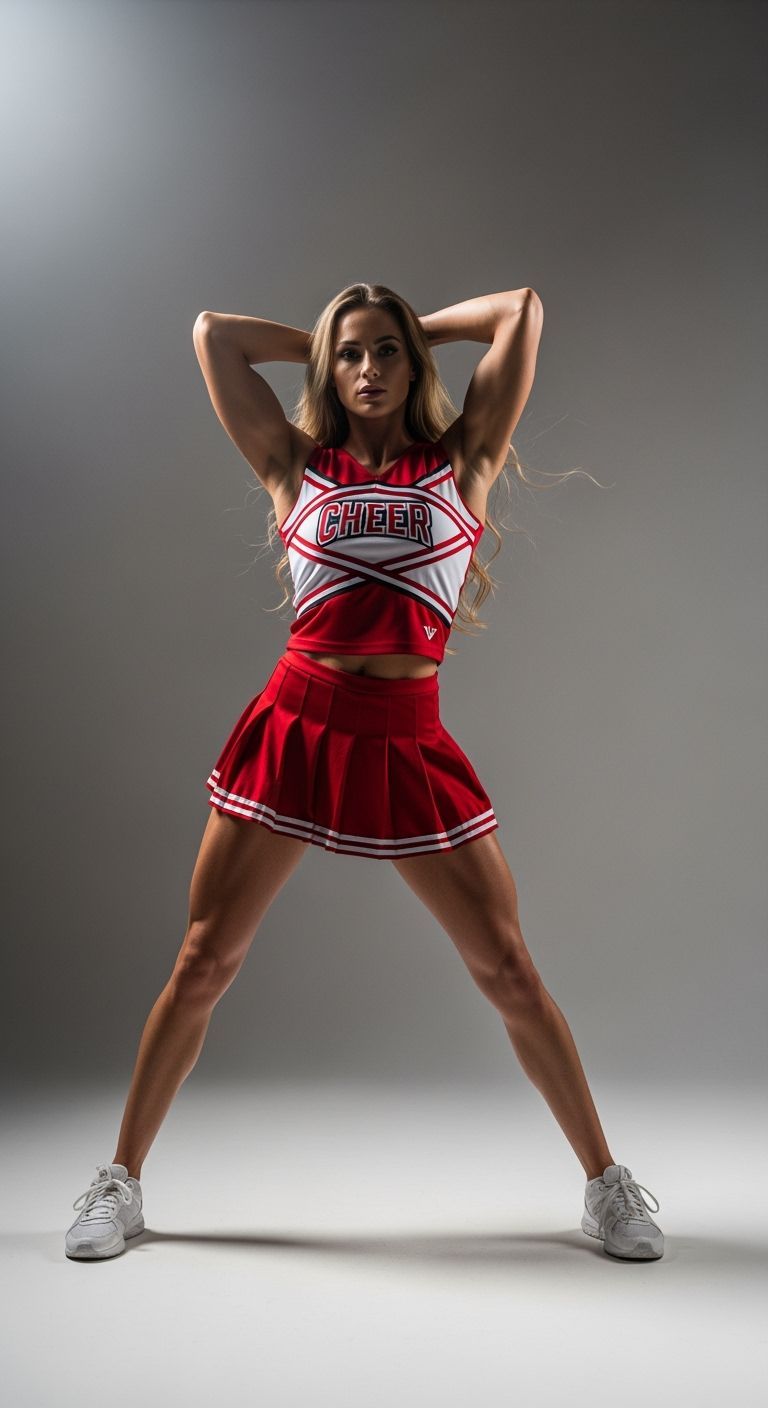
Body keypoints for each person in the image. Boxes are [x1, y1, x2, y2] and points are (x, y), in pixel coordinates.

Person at [65, 283, 664, 1263]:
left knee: (508, 970)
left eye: (387, 354)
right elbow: (214, 335)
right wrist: (331, 337)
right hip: (296, 725)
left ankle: (606, 1185)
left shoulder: (462, 460)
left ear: (413, 367)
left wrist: (406, 331)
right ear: (328, 372)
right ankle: (120, 1182)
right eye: (351, 357)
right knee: (205, 960)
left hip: (406, 737)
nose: (370, 370)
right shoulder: (294, 464)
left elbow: (521, 310)